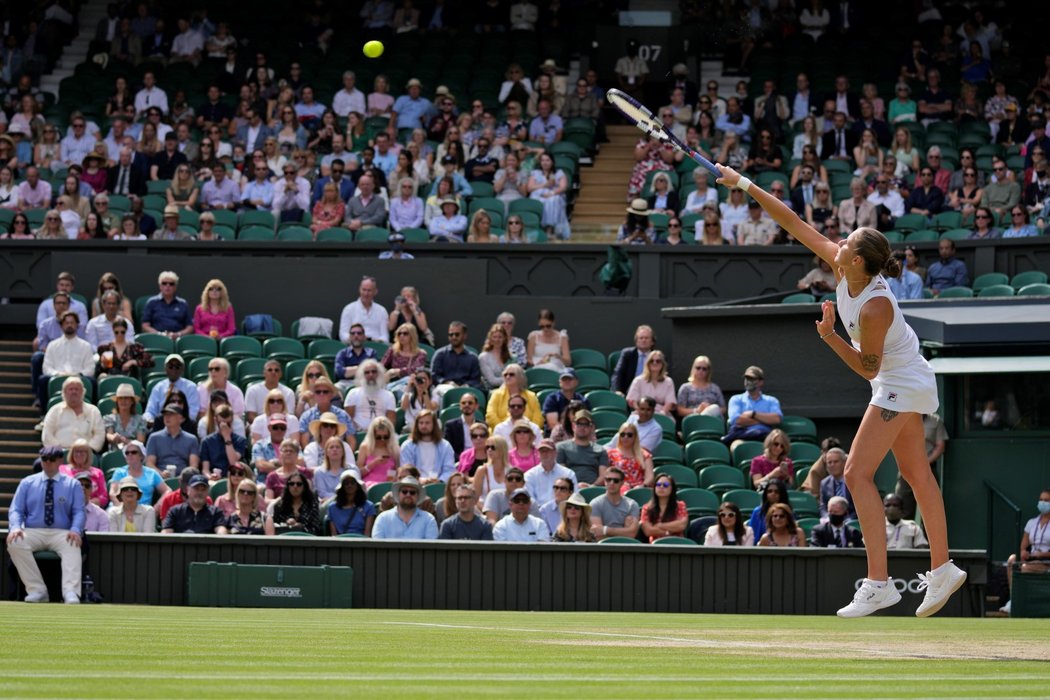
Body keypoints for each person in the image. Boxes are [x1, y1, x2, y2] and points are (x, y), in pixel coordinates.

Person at [717, 163, 964, 618]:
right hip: (899, 378)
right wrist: (743, 184)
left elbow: (867, 368)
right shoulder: (844, 263)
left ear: (858, 263)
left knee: (855, 474)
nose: (840, 242)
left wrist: (830, 336)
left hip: (899, 382)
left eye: (848, 243)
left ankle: (879, 582)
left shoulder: (874, 308)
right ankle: (943, 568)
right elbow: (793, 222)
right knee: (916, 475)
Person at [6, 446, 85, 603]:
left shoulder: (73, 484)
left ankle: (71, 592)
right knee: (15, 543)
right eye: (44, 459)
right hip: (33, 530)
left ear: (60, 461)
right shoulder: (27, 483)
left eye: (52, 459)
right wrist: (15, 527)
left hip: (62, 532)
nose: (47, 462)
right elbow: (16, 509)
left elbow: (79, 511)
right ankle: (37, 590)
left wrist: (76, 530)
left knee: (72, 544)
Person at [1001, 489, 1050, 615]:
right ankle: (1013, 599)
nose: (1043, 503)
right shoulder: (1032, 523)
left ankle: (1017, 601)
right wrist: (1023, 552)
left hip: (1046, 562)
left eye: (1046, 500)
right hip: (1031, 559)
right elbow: (1023, 546)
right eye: (1041, 500)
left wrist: (1040, 555)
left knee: (1023, 568)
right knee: (1012, 560)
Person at [37, 311, 95, 412]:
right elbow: (46, 368)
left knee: (92, 382)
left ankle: (91, 414)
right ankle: (44, 415)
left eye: (72, 323)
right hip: (57, 376)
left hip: (79, 377)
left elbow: (90, 368)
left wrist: (79, 374)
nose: (69, 325)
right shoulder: (52, 345)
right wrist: (58, 374)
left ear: (77, 325)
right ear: (61, 325)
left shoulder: (85, 346)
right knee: (43, 380)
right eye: (66, 323)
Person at [721, 365, 783, 446]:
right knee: (737, 446)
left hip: (764, 439)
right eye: (746, 378)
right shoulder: (736, 399)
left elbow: (777, 419)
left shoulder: (771, 400)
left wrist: (753, 414)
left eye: (752, 379)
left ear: (761, 382)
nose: (748, 381)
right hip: (740, 437)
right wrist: (764, 421)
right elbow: (736, 420)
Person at [41, 377, 105, 452]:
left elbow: (100, 434)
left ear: (83, 392)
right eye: (70, 389)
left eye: (77, 389)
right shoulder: (55, 410)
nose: (74, 392)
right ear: (64, 393)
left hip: (85, 454)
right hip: (59, 454)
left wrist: (88, 449)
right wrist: (59, 450)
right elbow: (47, 434)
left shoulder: (93, 411)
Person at [372, 475, 438, 539]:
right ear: (398, 494)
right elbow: (377, 547)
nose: (408, 494)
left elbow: (431, 548)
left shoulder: (429, 520)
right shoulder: (383, 518)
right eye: (404, 491)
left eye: (412, 492)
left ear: (418, 496)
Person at [399, 409, 455, 484]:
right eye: (421, 423)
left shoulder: (445, 446)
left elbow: (449, 469)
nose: (424, 426)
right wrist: (419, 480)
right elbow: (406, 470)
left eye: (427, 423)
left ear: (434, 425)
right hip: (414, 485)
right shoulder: (407, 446)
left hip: (439, 485)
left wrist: (440, 480)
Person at [143, 354, 200, 425]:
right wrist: (150, 420)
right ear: (165, 368)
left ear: (182, 369)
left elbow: (193, 412)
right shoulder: (158, 387)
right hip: (160, 425)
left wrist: (177, 422)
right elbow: (150, 411)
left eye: (177, 366)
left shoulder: (191, 387)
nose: (174, 369)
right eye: (170, 366)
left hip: (183, 425)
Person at [146, 403, 201, 477]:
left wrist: (183, 476)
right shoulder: (154, 438)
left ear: (180, 418)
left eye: (171, 414)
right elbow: (150, 464)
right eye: (165, 414)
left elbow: (193, 465)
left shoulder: (191, 439)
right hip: (159, 479)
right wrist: (161, 474)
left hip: (183, 479)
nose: (167, 417)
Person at [107, 439, 168, 505]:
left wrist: (156, 508)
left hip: (143, 512)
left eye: (134, 452)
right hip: (120, 509)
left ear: (141, 455)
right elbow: (112, 493)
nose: (130, 454)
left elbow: (167, 491)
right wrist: (123, 510)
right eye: (127, 453)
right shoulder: (119, 472)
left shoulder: (152, 473)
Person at [161, 474, 228, 534]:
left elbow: (221, 530)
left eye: (203, 489)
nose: (199, 492)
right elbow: (166, 533)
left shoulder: (216, 512)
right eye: (196, 489)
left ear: (207, 492)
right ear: (188, 490)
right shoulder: (175, 511)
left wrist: (222, 532)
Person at [556, 410, 608, 487]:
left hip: (593, 490)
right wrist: (575, 486)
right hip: (569, 489)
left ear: (591, 427)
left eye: (586, 424)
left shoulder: (600, 450)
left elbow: (603, 475)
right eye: (579, 424)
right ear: (573, 426)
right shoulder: (561, 447)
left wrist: (592, 487)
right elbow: (561, 473)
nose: (582, 427)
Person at [344, 359, 397, 433]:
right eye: (367, 372)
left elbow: (391, 421)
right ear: (362, 375)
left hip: (381, 434)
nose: (371, 375)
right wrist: (360, 430)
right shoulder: (353, 393)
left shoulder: (388, 395)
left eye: (374, 372)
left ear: (379, 374)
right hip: (358, 433)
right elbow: (348, 419)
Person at [588, 466, 640, 541]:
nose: (612, 483)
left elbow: (631, 534)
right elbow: (598, 535)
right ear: (604, 481)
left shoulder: (632, 505)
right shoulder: (595, 503)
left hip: (626, 548)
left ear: (622, 483)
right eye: (608, 480)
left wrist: (605, 530)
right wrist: (624, 531)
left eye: (616, 480)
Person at [431, 321, 482, 391]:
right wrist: (447, 382)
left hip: (466, 390)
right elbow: (435, 376)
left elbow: (475, 379)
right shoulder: (440, 354)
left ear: (465, 336)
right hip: (444, 388)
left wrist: (465, 386)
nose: (454, 337)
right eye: (451, 335)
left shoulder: (473, 357)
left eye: (457, 334)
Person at [141, 271, 193, 339]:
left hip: (177, 340)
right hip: (156, 338)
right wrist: (159, 334)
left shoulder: (183, 303)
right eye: (164, 283)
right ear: (160, 286)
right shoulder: (151, 302)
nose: (167, 286)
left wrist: (178, 334)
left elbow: (190, 327)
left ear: (175, 287)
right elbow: (145, 325)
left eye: (171, 284)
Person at [338, 276, 389, 343]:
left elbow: (385, 336)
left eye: (369, 290)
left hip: (376, 347)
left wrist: (375, 341)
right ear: (359, 289)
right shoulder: (348, 309)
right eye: (364, 290)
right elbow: (343, 334)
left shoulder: (382, 311)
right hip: (354, 346)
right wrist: (356, 339)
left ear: (375, 292)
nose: (366, 293)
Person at [245, 360, 296, 426]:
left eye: (276, 370)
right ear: (264, 373)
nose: (273, 372)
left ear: (280, 374)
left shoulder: (288, 393)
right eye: (270, 370)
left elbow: (289, 416)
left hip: (281, 426)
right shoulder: (252, 390)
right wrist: (265, 426)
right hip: (259, 425)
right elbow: (250, 416)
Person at [640, 475, 689, 543]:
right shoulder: (647, 508)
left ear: (672, 488)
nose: (661, 487)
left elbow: (681, 525)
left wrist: (660, 525)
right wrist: (668, 532)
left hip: (677, 544)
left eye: (665, 485)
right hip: (655, 546)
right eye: (658, 484)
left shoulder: (680, 505)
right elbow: (648, 531)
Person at [626, 350, 676, 415]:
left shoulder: (668, 381)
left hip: (662, 413)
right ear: (647, 364)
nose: (654, 363)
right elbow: (632, 400)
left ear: (662, 364)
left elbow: (670, 402)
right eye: (651, 361)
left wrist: (662, 413)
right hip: (640, 413)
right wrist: (641, 411)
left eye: (658, 361)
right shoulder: (638, 380)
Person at [327, 471, 376, 536]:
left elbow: (367, 534)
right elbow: (334, 535)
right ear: (342, 487)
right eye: (346, 483)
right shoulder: (332, 508)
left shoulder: (369, 506)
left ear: (358, 485)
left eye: (352, 483)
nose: (349, 485)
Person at [676, 355, 726, 419]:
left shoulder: (715, 388)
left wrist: (709, 408)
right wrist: (697, 410)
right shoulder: (685, 388)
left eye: (704, 369)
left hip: (712, 419)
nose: (701, 371)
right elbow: (680, 410)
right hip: (693, 419)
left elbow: (723, 408)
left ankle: (706, 415)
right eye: (698, 368)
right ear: (693, 368)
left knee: (714, 408)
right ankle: (703, 417)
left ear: (708, 371)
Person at [357, 416, 400, 489]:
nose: (382, 440)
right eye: (378, 437)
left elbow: (398, 470)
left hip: (389, 484)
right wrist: (373, 463)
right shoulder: (365, 447)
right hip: (369, 484)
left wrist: (394, 477)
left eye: (386, 437)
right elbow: (358, 473)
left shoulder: (394, 449)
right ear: (373, 436)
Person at [611, 325, 656, 395]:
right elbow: (618, 374)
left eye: (646, 338)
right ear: (636, 341)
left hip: (650, 393)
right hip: (628, 392)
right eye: (641, 338)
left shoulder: (657, 357)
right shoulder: (627, 354)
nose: (643, 340)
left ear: (652, 341)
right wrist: (617, 391)